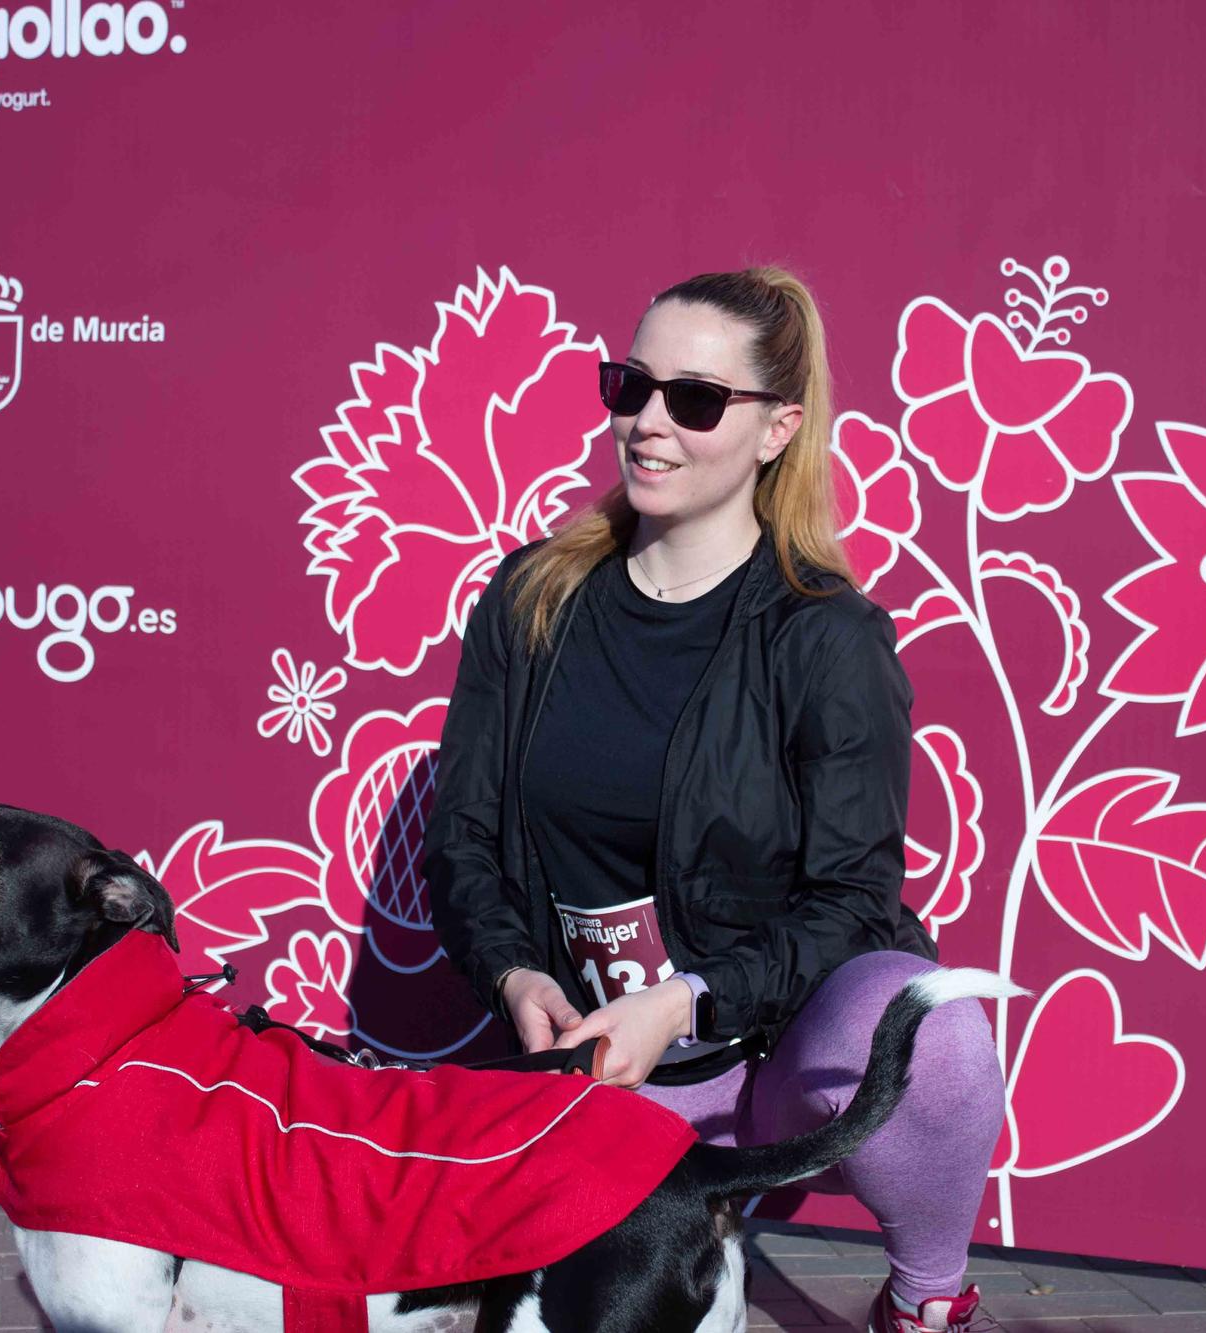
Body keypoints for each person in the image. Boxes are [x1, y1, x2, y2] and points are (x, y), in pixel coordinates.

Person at [423, 266, 1004, 1333]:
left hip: (763, 1056)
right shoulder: (530, 598)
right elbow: (459, 835)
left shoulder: (824, 639)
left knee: (938, 1030)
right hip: (588, 1068)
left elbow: (854, 901)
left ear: (776, 428)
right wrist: (510, 972)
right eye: (628, 386)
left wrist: (686, 998)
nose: (647, 422)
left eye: (693, 400)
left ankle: (927, 1301)